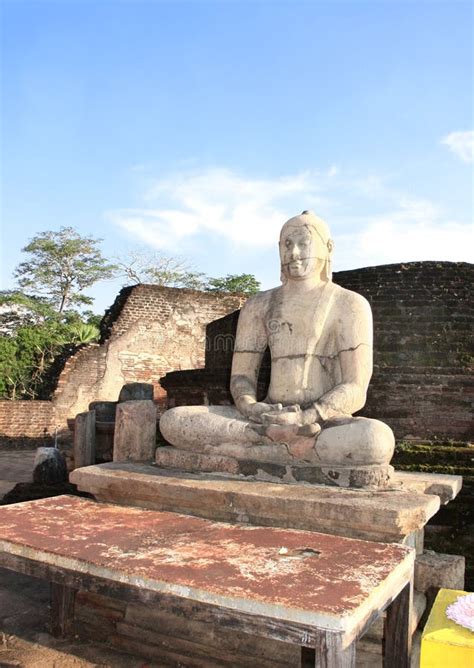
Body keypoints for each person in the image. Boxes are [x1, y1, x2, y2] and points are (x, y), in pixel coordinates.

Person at [160, 211, 394, 475]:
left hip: (321, 422)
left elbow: (355, 386)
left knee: (376, 439)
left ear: (327, 248)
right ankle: (282, 445)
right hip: (263, 418)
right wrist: (252, 406)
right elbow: (241, 376)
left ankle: (261, 447)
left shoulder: (349, 304)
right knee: (174, 420)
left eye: (303, 243)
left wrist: (306, 416)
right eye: (286, 244)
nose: (293, 252)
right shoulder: (259, 304)